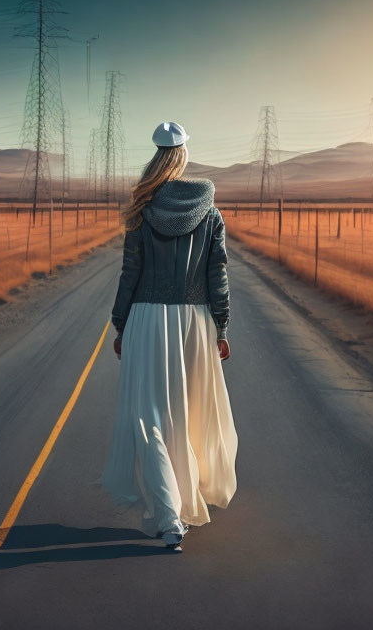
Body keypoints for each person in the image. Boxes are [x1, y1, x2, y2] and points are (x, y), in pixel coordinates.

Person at [101, 121, 238, 552]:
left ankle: (168, 518)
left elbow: (130, 275)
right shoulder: (210, 212)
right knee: (191, 413)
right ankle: (181, 507)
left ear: (157, 155)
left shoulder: (142, 209)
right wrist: (223, 326)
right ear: (183, 155)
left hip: (145, 321)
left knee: (150, 421)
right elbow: (217, 275)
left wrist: (120, 324)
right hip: (195, 322)